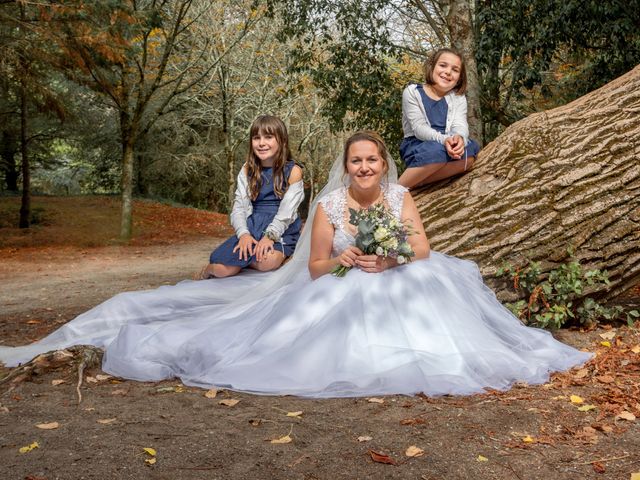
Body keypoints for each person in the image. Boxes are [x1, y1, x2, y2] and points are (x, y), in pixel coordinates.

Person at [0, 132, 591, 398]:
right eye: (355, 161)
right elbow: (312, 268)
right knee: (321, 318)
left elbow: (423, 250)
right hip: (341, 280)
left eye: (372, 160)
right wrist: (345, 258)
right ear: (347, 166)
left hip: (401, 275)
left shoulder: (402, 198)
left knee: (422, 297)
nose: (363, 169)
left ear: (385, 164)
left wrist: (386, 255)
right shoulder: (330, 204)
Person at [199, 115, 304, 279]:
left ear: (282, 141)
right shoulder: (248, 169)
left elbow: (287, 212)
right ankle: (209, 269)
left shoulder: (293, 171)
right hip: (253, 226)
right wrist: (244, 235)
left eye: (268, 137)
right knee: (222, 270)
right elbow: (239, 208)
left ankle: (250, 261)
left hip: (282, 227)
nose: (261, 143)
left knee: (267, 262)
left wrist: (270, 237)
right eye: (256, 138)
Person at [398, 47, 481, 189]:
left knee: (470, 152)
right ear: (432, 67)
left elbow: (460, 125)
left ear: (460, 77)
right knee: (437, 150)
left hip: (448, 144)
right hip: (419, 144)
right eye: (443, 65)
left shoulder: (458, 97)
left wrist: (459, 138)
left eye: (455, 70)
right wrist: (445, 140)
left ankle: (421, 181)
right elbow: (419, 128)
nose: (448, 72)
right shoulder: (412, 92)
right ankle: (397, 188)